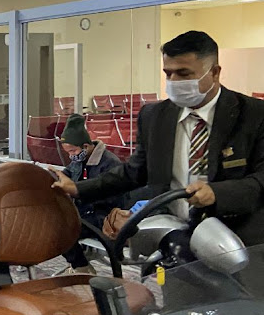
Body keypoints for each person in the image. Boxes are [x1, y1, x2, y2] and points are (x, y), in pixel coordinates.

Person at [52, 31, 264, 246]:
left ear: (215, 73)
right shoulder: (155, 117)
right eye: (168, 73)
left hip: (242, 239)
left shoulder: (254, 115)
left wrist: (218, 193)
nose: (174, 81)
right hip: (175, 237)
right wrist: (79, 189)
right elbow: (135, 171)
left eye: (184, 74)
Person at [55, 114, 124, 273]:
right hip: (85, 211)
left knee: (62, 230)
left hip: (104, 215)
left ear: (85, 146)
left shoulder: (109, 163)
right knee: (52, 222)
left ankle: (81, 267)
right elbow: (67, 173)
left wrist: (78, 192)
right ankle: (79, 264)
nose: (71, 155)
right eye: (68, 152)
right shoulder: (79, 160)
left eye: (73, 150)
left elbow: (112, 198)